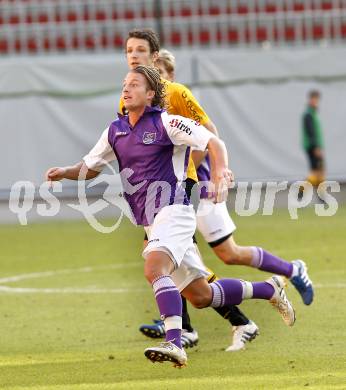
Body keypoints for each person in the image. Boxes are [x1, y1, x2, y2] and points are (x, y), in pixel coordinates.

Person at [45, 65, 296, 367]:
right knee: (201, 296)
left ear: (150, 94)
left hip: (175, 210)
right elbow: (90, 166)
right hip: (152, 221)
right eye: (125, 84)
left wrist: (218, 172)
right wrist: (65, 173)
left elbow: (214, 142)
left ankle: (175, 342)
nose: (126, 89)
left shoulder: (168, 122)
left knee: (154, 267)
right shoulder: (116, 130)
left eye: (135, 85)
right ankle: (270, 288)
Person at [123, 29, 258, 351]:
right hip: (150, 192)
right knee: (183, 266)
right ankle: (224, 321)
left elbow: (210, 134)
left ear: (155, 57)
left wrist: (209, 170)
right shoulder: (130, 92)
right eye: (129, 50)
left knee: (166, 260)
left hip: (177, 190)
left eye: (140, 50)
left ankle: (182, 330)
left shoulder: (176, 93)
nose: (133, 55)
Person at [154, 48, 314, 307]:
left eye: (160, 73)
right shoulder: (150, 107)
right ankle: (184, 326)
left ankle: (290, 272)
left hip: (200, 188)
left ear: (171, 74)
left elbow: (209, 138)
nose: (157, 80)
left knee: (227, 253)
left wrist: (197, 173)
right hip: (174, 195)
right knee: (171, 255)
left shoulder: (179, 99)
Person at [299, 90, 325, 201]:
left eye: (317, 99)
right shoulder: (308, 114)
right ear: (310, 99)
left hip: (316, 146)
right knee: (315, 172)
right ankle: (301, 192)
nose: (316, 101)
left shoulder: (313, 113)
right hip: (312, 147)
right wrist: (316, 147)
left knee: (320, 171)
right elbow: (311, 132)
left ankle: (321, 197)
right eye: (314, 99)